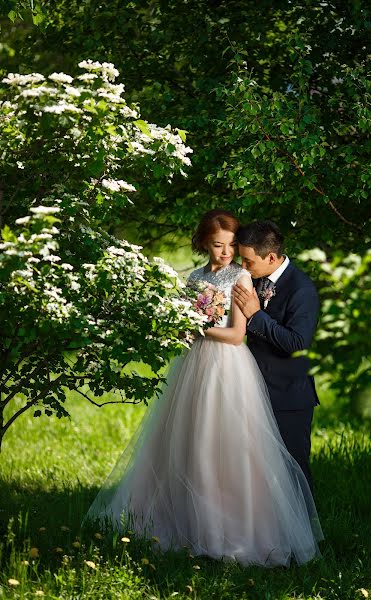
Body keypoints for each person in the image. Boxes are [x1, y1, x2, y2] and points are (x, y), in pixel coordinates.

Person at [85, 209, 323, 567]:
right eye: (221, 246)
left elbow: (274, 338)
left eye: (239, 252)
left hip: (273, 384)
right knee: (196, 444)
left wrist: (213, 324)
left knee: (283, 464)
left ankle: (300, 541)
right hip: (206, 368)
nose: (232, 256)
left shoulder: (292, 287)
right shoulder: (208, 275)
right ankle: (193, 524)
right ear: (204, 245)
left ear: (269, 257)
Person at [233, 220, 320, 492]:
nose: (243, 268)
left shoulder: (302, 289)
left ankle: (307, 533)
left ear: (270, 257)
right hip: (252, 390)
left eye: (248, 262)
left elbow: (296, 342)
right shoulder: (252, 279)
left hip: (288, 396)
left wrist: (256, 315)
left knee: (294, 470)